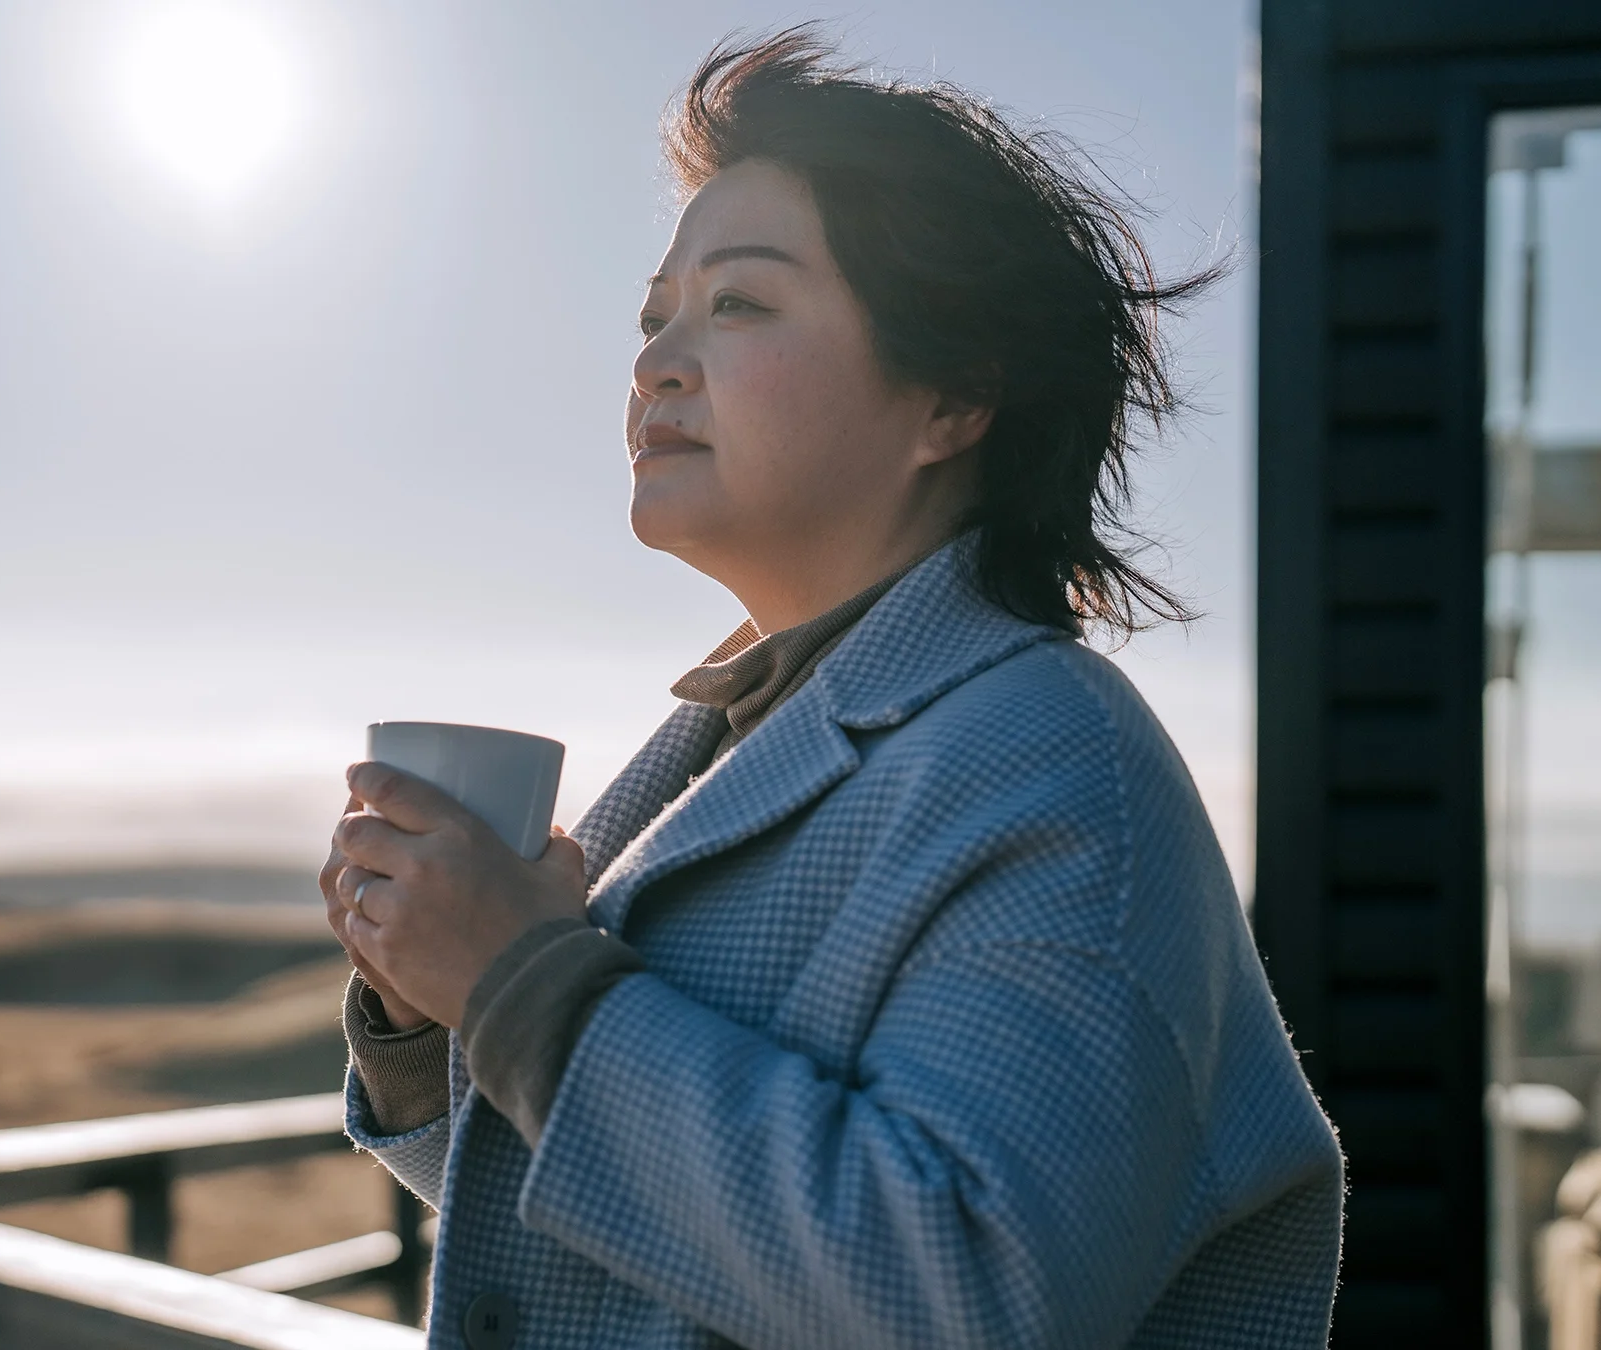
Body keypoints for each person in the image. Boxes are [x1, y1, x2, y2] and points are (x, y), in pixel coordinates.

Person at [319, 27, 1342, 1350]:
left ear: (953, 395)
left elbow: (963, 1292)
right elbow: (630, 1245)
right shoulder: (719, 734)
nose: (656, 361)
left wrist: (520, 977)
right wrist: (428, 1005)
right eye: (654, 314)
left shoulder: (1055, 761)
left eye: (738, 303)